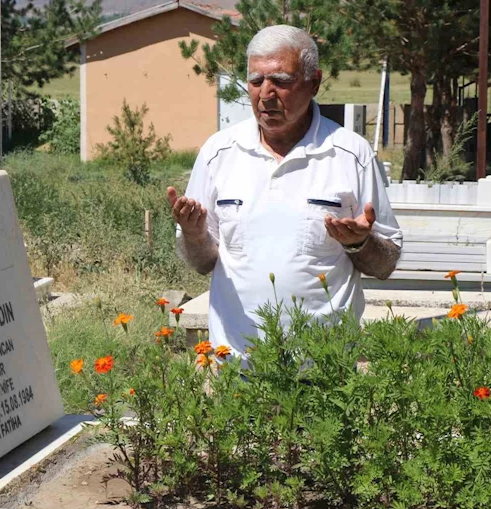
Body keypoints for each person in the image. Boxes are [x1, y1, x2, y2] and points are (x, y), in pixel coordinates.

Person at [167, 25, 402, 359]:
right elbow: (203, 263)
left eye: (281, 80)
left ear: (314, 82)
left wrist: (359, 243)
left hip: (324, 366)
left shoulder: (351, 154)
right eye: (256, 81)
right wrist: (193, 234)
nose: (266, 93)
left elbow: (385, 264)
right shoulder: (219, 152)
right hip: (237, 364)